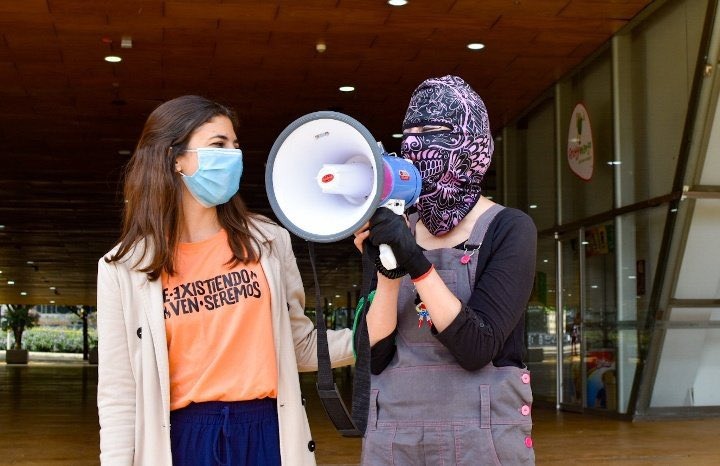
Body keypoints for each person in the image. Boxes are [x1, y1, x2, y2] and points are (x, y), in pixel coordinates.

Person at [96, 95, 355, 466]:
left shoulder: (267, 242)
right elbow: (120, 391)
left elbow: (298, 344)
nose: (233, 155)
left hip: (266, 429)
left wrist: (372, 336)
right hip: (183, 437)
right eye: (218, 145)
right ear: (175, 159)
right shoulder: (124, 267)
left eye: (236, 145)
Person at [353, 75, 537, 465]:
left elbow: (477, 347)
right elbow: (375, 355)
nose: (416, 143)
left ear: (473, 144)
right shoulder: (399, 227)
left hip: (481, 443)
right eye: (409, 132)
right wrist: (388, 269)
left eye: (433, 130)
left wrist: (415, 263)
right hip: (395, 443)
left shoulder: (509, 229)